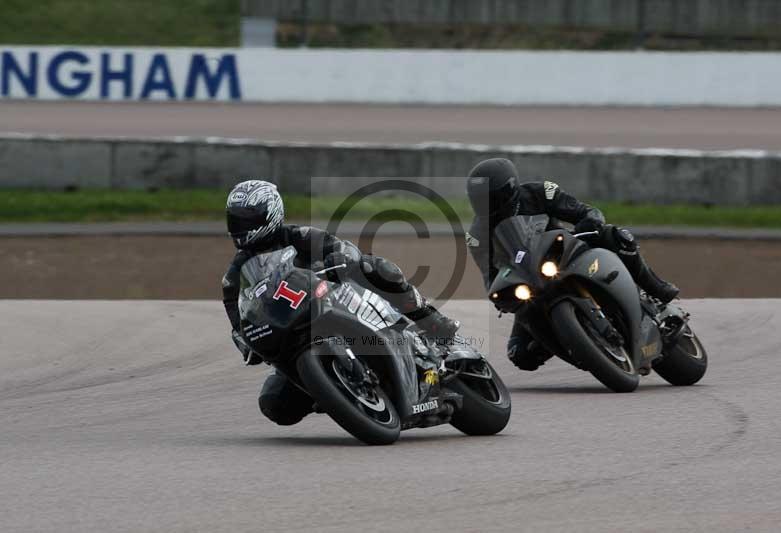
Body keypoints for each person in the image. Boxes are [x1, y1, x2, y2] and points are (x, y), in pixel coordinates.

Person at [222, 179, 459, 426]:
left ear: (270, 214)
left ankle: (430, 319)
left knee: (377, 268)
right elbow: (238, 318)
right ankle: (336, 392)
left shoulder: (298, 236)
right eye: (234, 221)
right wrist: (244, 341)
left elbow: (341, 247)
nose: (239, 228)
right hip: (289, 331)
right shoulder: (233, 277)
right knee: (274, 404)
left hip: (334, 299)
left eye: (246, 221)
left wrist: (341, 258)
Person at [465, 158, 679, 372]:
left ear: (510, 189)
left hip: (566, 251)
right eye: (480, 201)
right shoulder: (476, 235)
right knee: (521, 355)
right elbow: (490, 275)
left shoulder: (540, 193)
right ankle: (580, 345)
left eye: (492, 199)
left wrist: (591, 222)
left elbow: (584, 211)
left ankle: (655, 287)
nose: (487, 206)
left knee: (616, 236)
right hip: (531, 281)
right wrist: (501, 297)